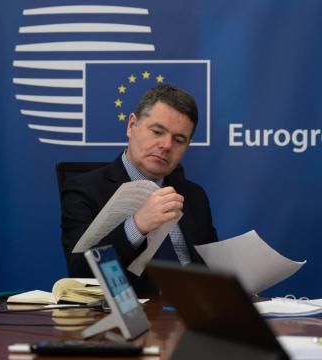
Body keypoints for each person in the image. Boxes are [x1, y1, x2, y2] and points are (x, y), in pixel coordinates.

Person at [60, 84, 218, 293]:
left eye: (179, 140)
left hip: (197, 315)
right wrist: (136, 226)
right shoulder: (84, 190)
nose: (166, 145)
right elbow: (80, 274)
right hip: (136, 317)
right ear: (131, 125)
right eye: (157, 131)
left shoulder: (194, 195)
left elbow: (212, 270)